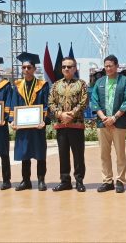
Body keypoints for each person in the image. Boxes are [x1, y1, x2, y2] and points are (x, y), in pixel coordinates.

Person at [92, 55, 126, 193]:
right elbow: (94, 101)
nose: (108, 68)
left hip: (118, 123)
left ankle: (120, 180)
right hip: (102, 124)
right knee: (104, 154)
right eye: (106, 66)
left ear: (117, 66)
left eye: (110, 66)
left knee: (120, 153)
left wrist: (114, 118)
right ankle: (107, 181)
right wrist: (104, 118)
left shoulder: (125, 81)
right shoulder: (100, 82)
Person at [10, 52, 49, 191]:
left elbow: (46, 105)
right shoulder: (17, 86)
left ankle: (41, 180)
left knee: (40, 153)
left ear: (34, 69)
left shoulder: (42, 85)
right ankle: (25, 181)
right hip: (23, 126)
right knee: (24, 153)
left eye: (29, 67)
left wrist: (44, 120)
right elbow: (13, 104)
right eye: (24, 67)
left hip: (37, 126)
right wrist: (12, 120)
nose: (26, 70)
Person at [49, 57, 88, 192]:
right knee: (63, 154)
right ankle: (65, 181)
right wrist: (60, 114)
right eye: (64, 66)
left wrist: (71, 114)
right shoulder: (55, 85)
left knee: (78, 155)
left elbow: (84, 102)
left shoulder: (81, 84)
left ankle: (79, 181)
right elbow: (51, 103)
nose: (66, 69)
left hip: (76, 125)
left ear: (75, 68)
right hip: (61, 125)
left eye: (69, 66)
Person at [0, 57, 12, 190]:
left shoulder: (5, 85)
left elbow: (8, 102)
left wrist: (5, 118)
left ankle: (6, 180)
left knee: (3, 152)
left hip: (0, 125)